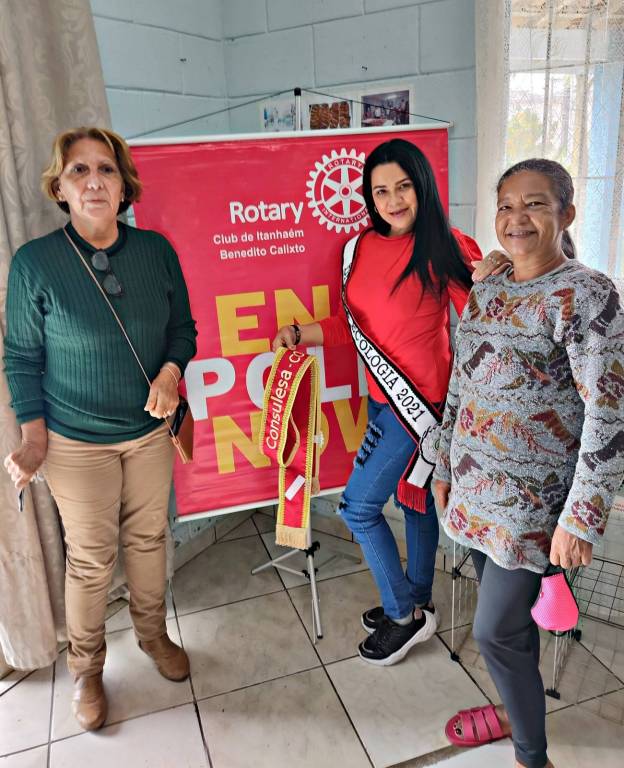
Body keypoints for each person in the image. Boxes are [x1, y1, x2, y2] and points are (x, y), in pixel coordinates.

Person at [272, 138, 505, 666]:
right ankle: (418, 599)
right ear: (368, 197)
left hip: (423, 409)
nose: (394, 200)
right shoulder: (357, 249)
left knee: (357, 507)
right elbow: (352, 327)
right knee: (412, 499)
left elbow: (488, 316)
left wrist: (498, 271)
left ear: (422, 186)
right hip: (382, 400)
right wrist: (299, 333)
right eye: (381, 191)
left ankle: (404, 616)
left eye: (403, 187)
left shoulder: (445, 244)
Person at [3, 127, 197, 731]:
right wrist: (34, 439)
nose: (94, 182)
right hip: (76, 442)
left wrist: (170, 374)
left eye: (106, 170)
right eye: (79, 171)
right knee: (90, 560)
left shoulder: (156, 251)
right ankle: (87, 669)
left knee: (149, 540)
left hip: (149, 432)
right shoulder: (36, 263)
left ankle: (152, 633)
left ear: (124, 184)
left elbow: (183, 329)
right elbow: (21, 357)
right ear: (60, 188)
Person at [433, 158, 624, 768]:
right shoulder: (489, 287)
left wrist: (581, 518)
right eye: (507, 205)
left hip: (534, 507)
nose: (517, 217)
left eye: (535, 203)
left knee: (494, 631)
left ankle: (530, 756)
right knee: (509, 629)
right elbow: (462, 384)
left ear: (567, 213)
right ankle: (518, 708)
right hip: (475, 490)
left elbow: (609, 412)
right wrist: (444, 466)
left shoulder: (587, 295)